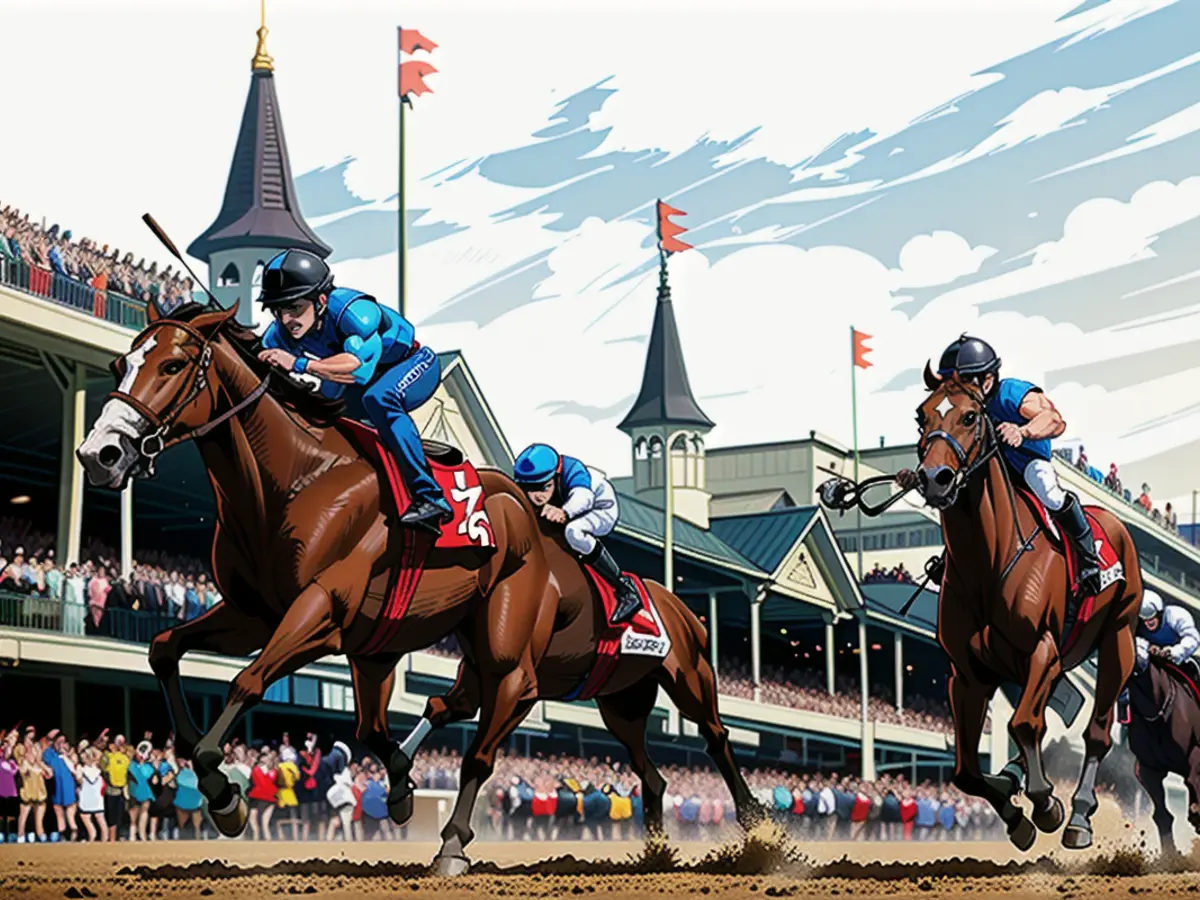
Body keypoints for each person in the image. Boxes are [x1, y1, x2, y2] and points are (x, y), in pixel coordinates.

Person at [255, 248, 452, 534]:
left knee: (380, 399)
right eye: (278, 310)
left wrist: (298, 363)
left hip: (411, 365)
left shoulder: (354, 313)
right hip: (357, 382)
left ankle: (431, 497)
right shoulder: (280, 332)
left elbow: (358, 370)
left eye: (294, 307)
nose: (286, 320)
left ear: (321, 300)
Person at [897, 335, 1102, 604]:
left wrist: (1023, 430)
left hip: (1026, 460)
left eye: (964, 382)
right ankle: (951, 558)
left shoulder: (1011, 393)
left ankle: (1088, 559)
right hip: (991, 466)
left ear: (988, 379)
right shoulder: (957, 405)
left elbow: (1055, 420)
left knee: (1049, 492)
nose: (956, 389)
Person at [511, 443, 643, 624]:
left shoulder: (573, 469)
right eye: (530, 489)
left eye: (544, 487)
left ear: (556, 476)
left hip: (599, 507)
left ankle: (625, 588)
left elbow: (584, 498)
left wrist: (564, 512)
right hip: (572, 507)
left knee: (574, 532)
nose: (537, 497)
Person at [1136, 590, 1200, 681]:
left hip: (1180, 661)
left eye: (1150, 615)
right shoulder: (1137, 623)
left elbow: (1192, 638)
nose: (1147, 622)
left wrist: (1174, 651)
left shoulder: (1175, 615)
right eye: (1143, 618)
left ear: (1160, 613)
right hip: (1150, 660)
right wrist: (1148, 646)